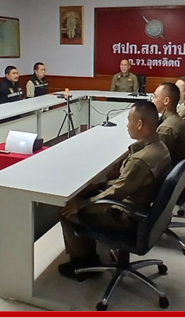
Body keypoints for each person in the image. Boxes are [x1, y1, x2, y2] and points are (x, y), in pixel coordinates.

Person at [57, 101, 171, 279]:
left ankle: (83, 263)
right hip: (144, 210)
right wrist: (99, 186)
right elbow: (125, 184)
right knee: (87, 193)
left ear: (139, 124)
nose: (127, 125)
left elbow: (117, 192)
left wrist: (82, 205)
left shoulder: (140, 160)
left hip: (126, 216)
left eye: (129, 120)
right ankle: (88, 254)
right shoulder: (160, 148)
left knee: (67, 210)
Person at [152, 83, 185, 166]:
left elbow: (156, 160)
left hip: (167, 169)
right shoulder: (176, 118)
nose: (152, 101)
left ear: (166, 101)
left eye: (155, 97)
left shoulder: (166, 128)